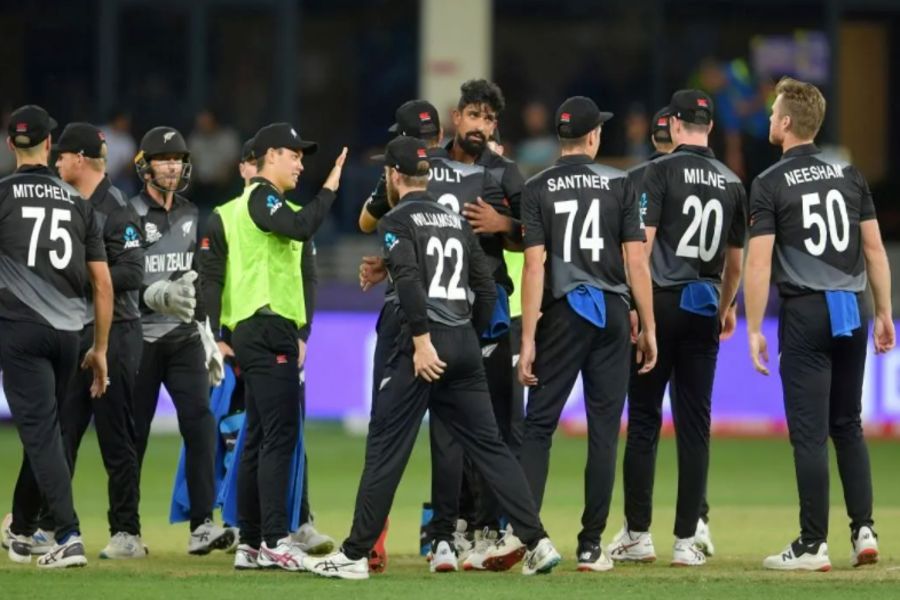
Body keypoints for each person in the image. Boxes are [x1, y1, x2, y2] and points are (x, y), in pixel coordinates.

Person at [306, 136, 560, 580]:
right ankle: (537, 542)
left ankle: (354, 554)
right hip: (463, 342)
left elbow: (407, 280)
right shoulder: (455, 220)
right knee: (491, 448)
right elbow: (486, 287)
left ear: (393, 176)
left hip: (422, 344)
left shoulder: (397, 219)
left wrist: (423, 341)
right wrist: (471, 335)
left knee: (386, 446)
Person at [485, 96, 656, 573]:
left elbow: (534, 265)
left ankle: (525, 536)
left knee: (539, 427)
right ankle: (590, 545)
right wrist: (648, 324)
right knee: (604, 432)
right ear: (594, 136)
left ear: (561, 138)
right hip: (613, 313)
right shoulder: (620, 183)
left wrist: (529, 338)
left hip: (562, 314)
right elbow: (636, 261)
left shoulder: (538, 186)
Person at [744, 77, 893, 571]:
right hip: (852, 308)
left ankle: (812, 544)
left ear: (787, 123)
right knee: (848, 424)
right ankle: (864, 530)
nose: (769, 119)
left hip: (806, 312)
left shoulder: (769, 183)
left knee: (809, 434)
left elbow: (759, 262)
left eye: (773, 113)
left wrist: (753, 327)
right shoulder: (849, 174)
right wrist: (885, 311)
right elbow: (874, 249)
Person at [357, 98, 511, 572]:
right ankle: (444, 536)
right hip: (459, 315)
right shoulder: (475, 174)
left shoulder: (403, 176)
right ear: (441, 132)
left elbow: (367, 222)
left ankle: (370, 541)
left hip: (407, 318)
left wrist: (387, 258)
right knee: (452, 435)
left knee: (386, 432)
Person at [608, 90, 745, 567]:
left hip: (662, 302)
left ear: (675, 125)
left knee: (645, 419)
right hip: (705, 304)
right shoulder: (733, 182)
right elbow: (734, 264)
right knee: (695, 426)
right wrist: (725, 308)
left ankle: (638, 534)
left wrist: (640, 314)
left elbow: (641, 250)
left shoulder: (658, 172)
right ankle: (688, 540)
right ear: (710, 126)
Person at [201, 129, 345, 570]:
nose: (300, 165)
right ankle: (275, 539)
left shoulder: (262, 202)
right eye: (294, 156)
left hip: (258, 328)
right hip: (267, 327)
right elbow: (300, 226)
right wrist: (330, 188)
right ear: (270, 156)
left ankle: (250, 542)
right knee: (279, 438)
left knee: (258, 437)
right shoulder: (264, 197)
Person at [0, 105, 112, 568]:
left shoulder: (3, 195)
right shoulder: (79, 203)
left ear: (11, 144)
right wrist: (100, 348)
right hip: (69, 334)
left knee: (41, 431)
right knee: (44, 428)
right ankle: (23, 529)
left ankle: (67, 534)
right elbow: (102, 284)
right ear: (49, 144)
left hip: (20, 329)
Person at [129, 126, 232, 554]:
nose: (173, 166)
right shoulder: (130, 214)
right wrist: (150, 295)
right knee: (133, 434)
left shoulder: (191, 213)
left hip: (183, 336)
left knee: (201, 424)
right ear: (145, 166)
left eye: (178, 160)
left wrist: (209, 333)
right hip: (139, 338)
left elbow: (199, 278)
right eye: (164, 160)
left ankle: (202, 526)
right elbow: (118, 278)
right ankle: (125, 530)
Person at [49, 122, 146, 559]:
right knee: (63, 431)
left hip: (117, 331)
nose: (57, 162)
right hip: (74, 331)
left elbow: (133, 273)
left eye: (63, 155)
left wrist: (84, 277)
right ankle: (52, 524)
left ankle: (127, 532)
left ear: (80, 159)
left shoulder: (118, 208)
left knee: (114, 434)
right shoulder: (65, 204)